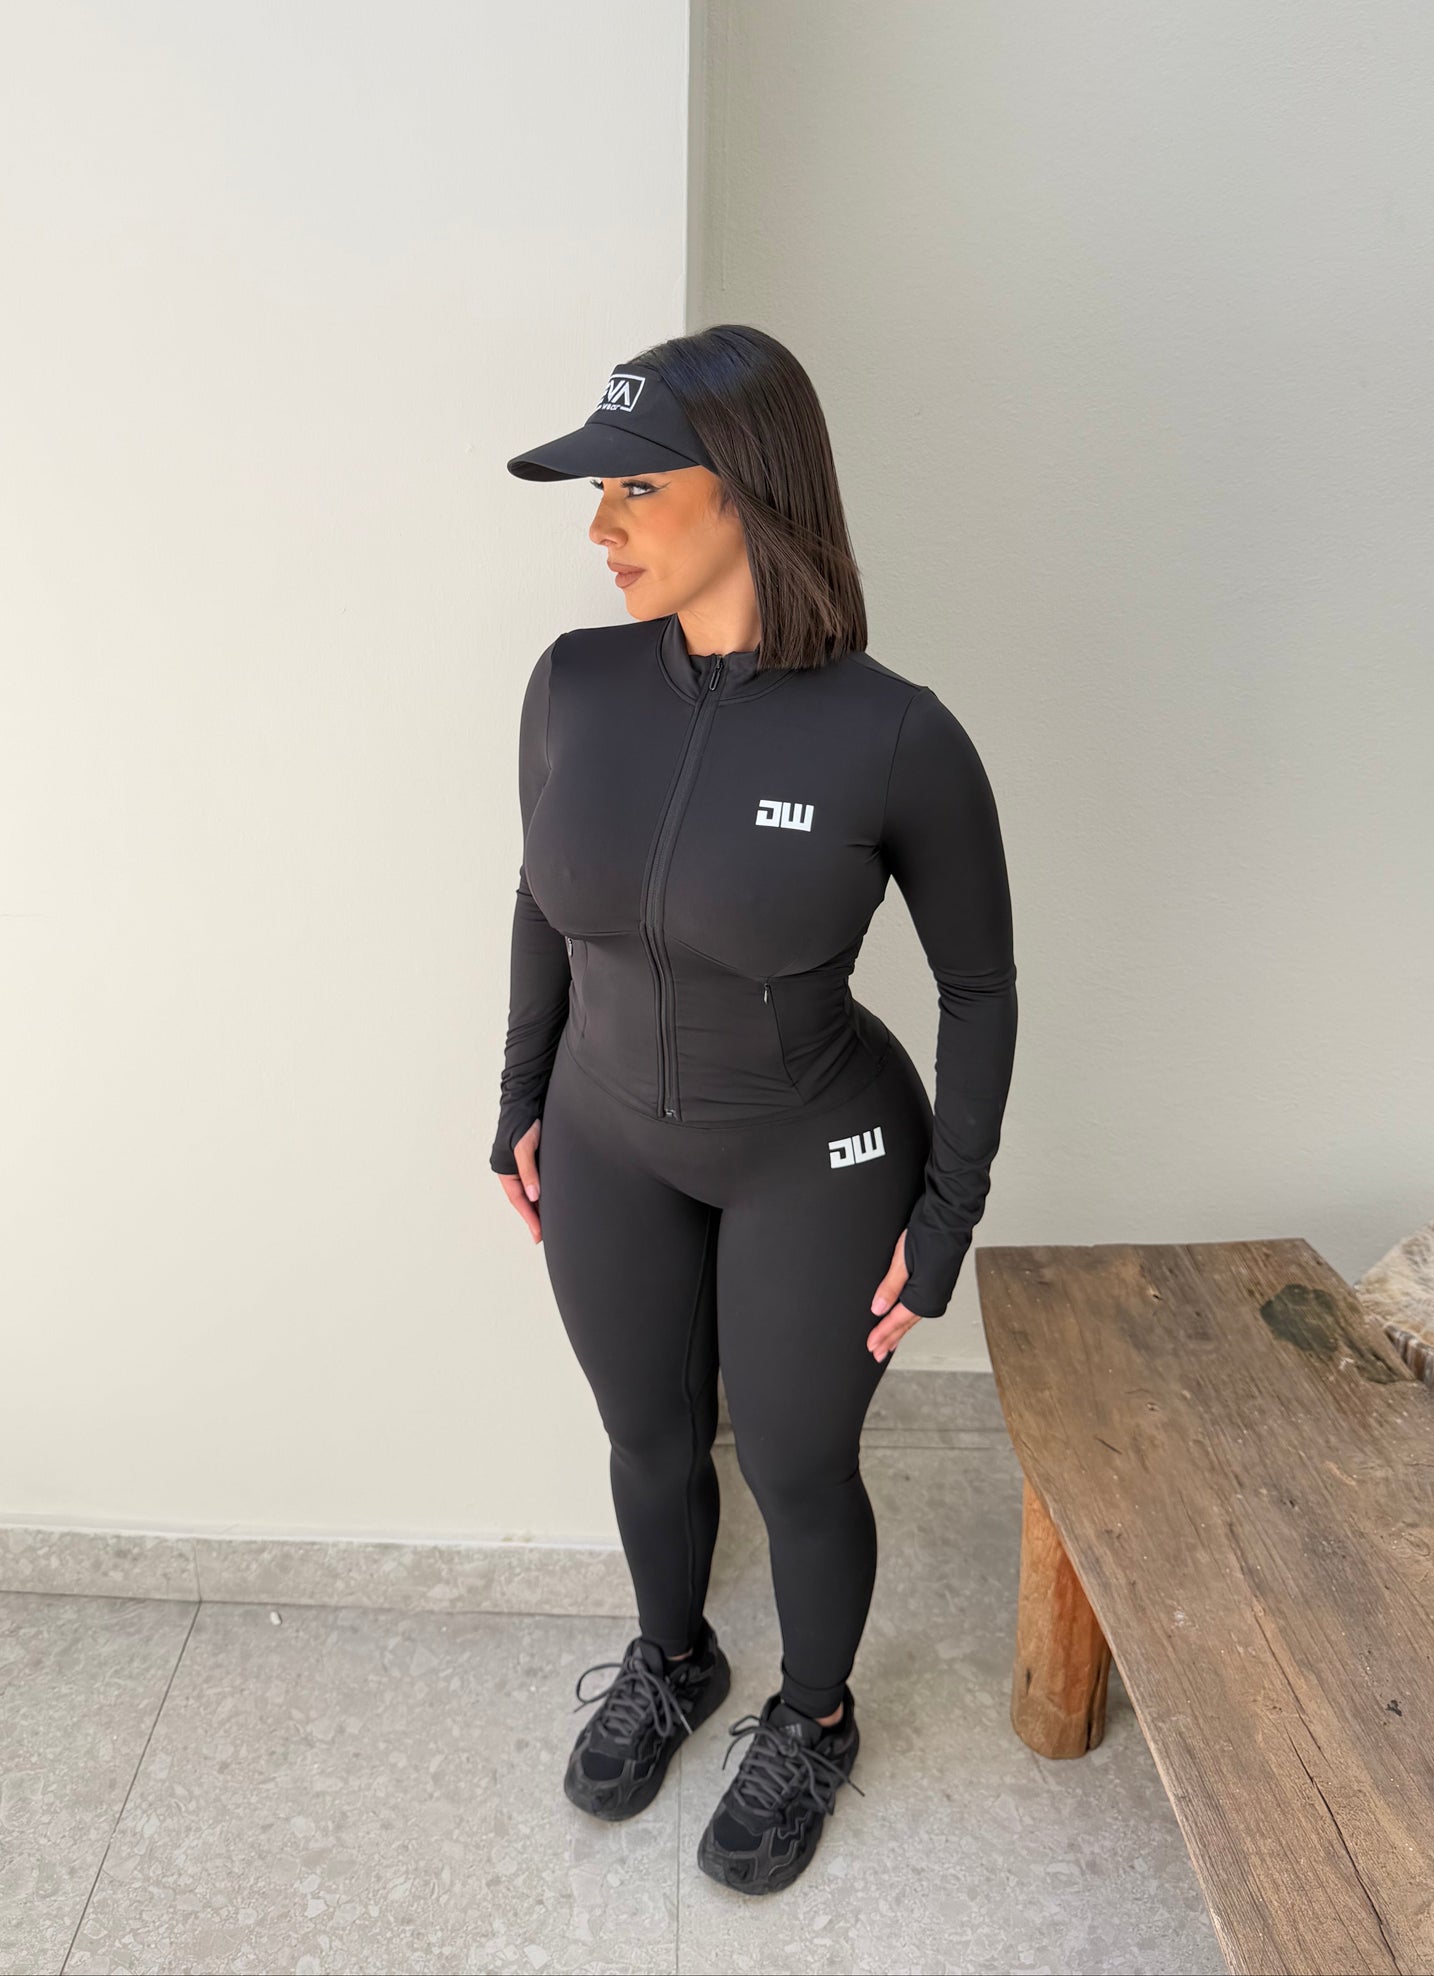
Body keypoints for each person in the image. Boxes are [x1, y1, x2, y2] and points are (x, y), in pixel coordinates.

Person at [489, 325, 1018, 1897]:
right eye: (597, 495)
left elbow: (980, 990)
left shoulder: (895, 734)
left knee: (794, 1464)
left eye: (637, 490)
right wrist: (517, 1093)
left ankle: (816, 1715)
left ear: (747, 490)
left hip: (817, 1155)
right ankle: (675, 1660)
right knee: (647, 1436)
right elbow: (540, 896)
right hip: (605, 1130)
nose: (602, 528)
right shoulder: (574, 684)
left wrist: (947, 1222)